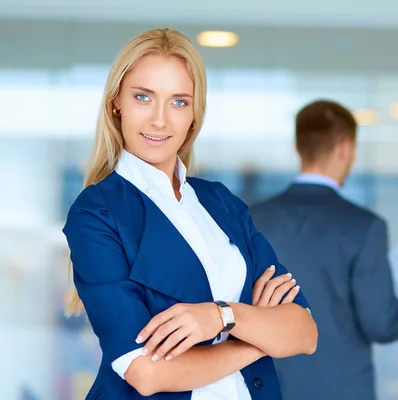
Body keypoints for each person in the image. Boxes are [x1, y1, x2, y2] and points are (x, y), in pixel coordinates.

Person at [62, 28, 317, 400]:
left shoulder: (220, 203)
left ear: (195, 112)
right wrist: (261, 339)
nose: (160, 121)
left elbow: (304, 331)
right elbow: (145, 373)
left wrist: (221, 316)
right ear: (117, 101)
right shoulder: (97, 213)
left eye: (179, 102)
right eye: (143, 97)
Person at [250, 100, 398, 400]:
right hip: (341, 389)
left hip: (266, 386)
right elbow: (381, 323)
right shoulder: (365, 227)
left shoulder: (253, 218)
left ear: (299, 147)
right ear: (345, 148)